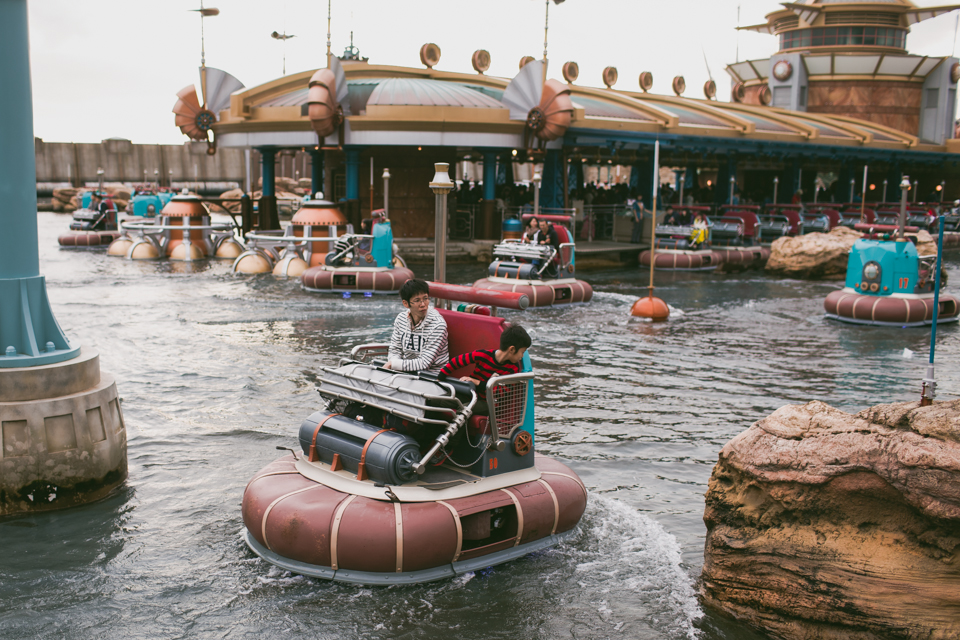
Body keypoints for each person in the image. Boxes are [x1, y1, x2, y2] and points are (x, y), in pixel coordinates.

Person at [439, 325, 531, 416]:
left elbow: (500, 393)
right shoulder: (484, 355)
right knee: (438, 401)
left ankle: (459, 431)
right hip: (470, 395)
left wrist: (477, 382)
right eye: (522, 352)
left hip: (488, 403)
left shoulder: (512, 369)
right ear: (512, 349)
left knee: (465, 409)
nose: (522, 356)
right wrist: (440, 377)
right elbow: (458, 360)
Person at [384, 279, 449, 374]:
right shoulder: (401, 319)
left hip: (433, 377)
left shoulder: (438, 325)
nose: (423, 304)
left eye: (425, 299)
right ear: (406, 303)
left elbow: (425, 363)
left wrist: (393, 364)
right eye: (417, 300)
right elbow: (395, 350)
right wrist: (394, 364)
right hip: (406, 374)